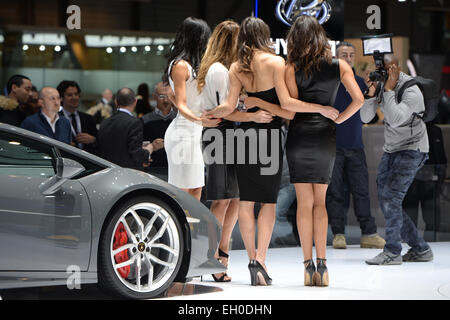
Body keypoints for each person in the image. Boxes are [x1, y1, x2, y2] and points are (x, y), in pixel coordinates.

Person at [242, 16, 364, 286]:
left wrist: (316, 109)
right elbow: (360, 99)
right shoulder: (340, 66)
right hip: (325, 137)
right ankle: (323, 265)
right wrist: (337, 117)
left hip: (299, 136)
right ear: (321, 37)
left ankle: (307, 266)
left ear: (294, 39)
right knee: (320, 203)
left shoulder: (291, 67)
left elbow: (289, 104)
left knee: (304, 204)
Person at [205, 16, 299, 287]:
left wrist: (207, 115)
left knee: (245, 202)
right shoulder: (276, 62)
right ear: (265, 35)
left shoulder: (237, 66)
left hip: (244, 138)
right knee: (267, 203)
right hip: (269, 139)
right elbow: (289, 111)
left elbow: (228, 108)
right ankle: (261, 260)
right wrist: (262, 104)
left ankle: (249, 259)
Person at [361, 55, 434, 265]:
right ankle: (420, 249)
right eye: (380, 68)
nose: (382, 72)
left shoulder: (411, 90)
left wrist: (390, 90)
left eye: (387, 68)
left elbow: (394, 119)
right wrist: (371, 93)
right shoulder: (381, 85)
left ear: (396, 67)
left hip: (413, 149)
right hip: (392, 149)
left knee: (391, 198)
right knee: (387, 201)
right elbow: (365, 118)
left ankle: (392, 251)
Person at [326, 41, 385, 249]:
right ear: (335, 56)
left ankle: (368, 233)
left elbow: (370, 116)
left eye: (351, 55)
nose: (348, 58)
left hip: (355, 145)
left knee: (362, 191)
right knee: (335, 193)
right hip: (333, 145)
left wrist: (372, 92)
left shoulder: (360, 82)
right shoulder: (328, 81)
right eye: (344, 54)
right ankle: (338, 234)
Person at [163, 16, 219, 201]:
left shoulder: (197, 65)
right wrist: (200, 120)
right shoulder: (180, 66)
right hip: (183, 133)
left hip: (197, 132)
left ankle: (191, 229)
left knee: (196, 188)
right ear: (196, 38)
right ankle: (178, 228)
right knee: (181, 191)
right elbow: (181, 104)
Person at [403, 121, 447, 240]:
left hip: (430, 179)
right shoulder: (407, 128)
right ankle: (411, 243)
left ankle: (428, 243)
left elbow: (441, 157)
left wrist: (440, 180)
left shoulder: (435, 130)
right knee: (410, 216)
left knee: (432, 219)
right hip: (412, 179)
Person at [97, 88, 153, 169]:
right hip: (127, 174)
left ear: (116, 102)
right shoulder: (135, 123)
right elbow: (135, 153)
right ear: (135, 102)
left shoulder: (105, 122)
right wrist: (148, 151)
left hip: (106, 172)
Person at [142, 82, 177, 172]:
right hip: (152, 171)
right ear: (154, 97)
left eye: (168, 96)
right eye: (161, 96)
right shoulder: (144, 120)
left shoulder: (180, 120)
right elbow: (137, 147)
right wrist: (152, 146)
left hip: (176, 170)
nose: (165, 100)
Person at [57, 80, 98, 155]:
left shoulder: (88, 118)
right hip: (66, 160)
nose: (74, 97)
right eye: (69, 95)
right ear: (61, 98)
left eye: (76, 94)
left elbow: (99, 142)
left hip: (88, 161)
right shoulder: (56, 119)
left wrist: (93, 140)